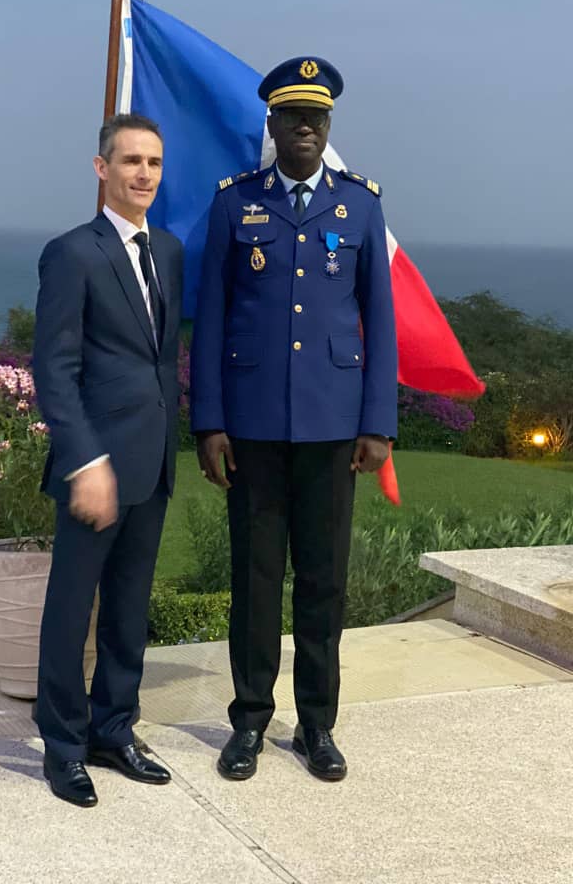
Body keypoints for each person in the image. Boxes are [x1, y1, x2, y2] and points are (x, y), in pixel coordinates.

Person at [190, 57, 397, 782]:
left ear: (328, 127)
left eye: (318, 117)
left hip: (334, 430)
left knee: (323, 580)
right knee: (254, 577)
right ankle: (249, 722)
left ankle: (317, 726)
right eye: (292, 117)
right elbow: (210, 319)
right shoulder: (233, 204)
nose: (305, 127)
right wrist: (208, 422)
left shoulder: (362, 206)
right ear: (272, 127)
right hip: (249, 428)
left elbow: (380, 322)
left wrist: (378, 423)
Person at [33, 113, 183, 807]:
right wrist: (85, 459)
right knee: (72, 609)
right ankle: (63, 747)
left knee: (128, 606)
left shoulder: (170, 252)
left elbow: (159, 361)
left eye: (153, 162)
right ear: (102, 169)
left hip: (150, 464)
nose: (143, 174)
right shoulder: (72, 253)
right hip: (94, 469)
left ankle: (113, 728)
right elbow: (54, 369)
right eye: (130, 161)